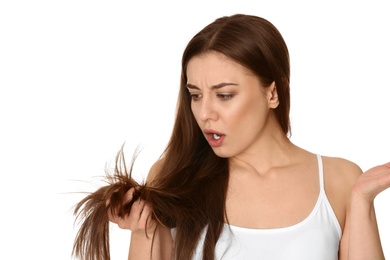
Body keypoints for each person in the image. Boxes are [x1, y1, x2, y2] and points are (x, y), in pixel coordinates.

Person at [72, 14, 390, 260]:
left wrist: (362, 200)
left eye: (224, 95)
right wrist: (144, 226)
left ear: (273, 92)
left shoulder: (339, 179)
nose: (205, 112)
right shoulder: (173, 178)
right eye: (195, 95)